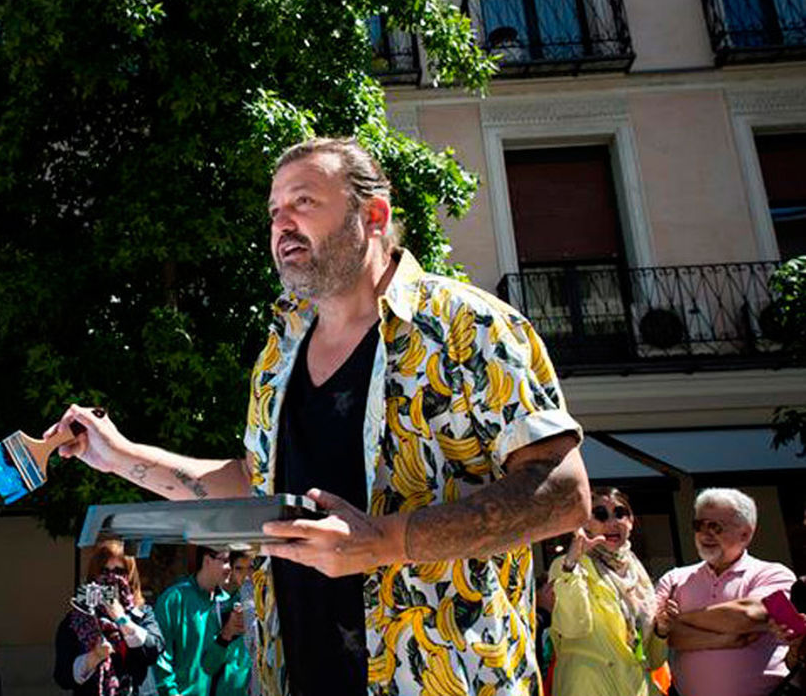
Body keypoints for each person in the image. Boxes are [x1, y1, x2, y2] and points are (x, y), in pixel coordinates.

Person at [52, 137, 591, 695]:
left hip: (441, 677)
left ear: (373, 215)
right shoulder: (276, 355)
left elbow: (562, 494)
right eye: (273, 212)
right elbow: (253, 486)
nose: (281, 224)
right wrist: (119, 456)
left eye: (304, 203)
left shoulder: (467, 326)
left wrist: (383, 542)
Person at [654, 488, 798, 696]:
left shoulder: (773, 574)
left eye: (715, 526)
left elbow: (746, 616)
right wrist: (724, 639)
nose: (705, 533)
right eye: (699, 525)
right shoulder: (674, 578)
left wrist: (680, 621)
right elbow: (661, 634)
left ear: (745, 533)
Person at [547, 487, 666, 696]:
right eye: (600, 515)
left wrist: (661, 632)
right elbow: (573, 626)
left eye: (620, 513)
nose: (613, 522)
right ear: (584, 523)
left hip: (635, 686)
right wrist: (572, 565)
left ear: (631, 521)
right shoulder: (566, 566)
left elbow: (653, 659)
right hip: (590, 686)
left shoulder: (636, 569)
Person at [55, 539, 164, 696]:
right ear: (94, 576)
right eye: (104, 571)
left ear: (130, 576)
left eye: (119, 572)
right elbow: (62, 677)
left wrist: (121, 618)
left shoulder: (142, 613)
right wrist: (94, 656)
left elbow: (154, 650)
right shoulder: (77, 619)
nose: (112, 578)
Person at [152, 547, 234, 696]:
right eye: (226, 561)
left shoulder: (226, 602)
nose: (230, 568)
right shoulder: (174, 599)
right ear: (207, 560)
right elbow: (161, 656)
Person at [202, 552, 253, 696]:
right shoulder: (220, 609)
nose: (247, 575)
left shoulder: (276, 608)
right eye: (239, 569)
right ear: (231, 571)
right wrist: (227, 633)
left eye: (251, 567)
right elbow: (208, 666)